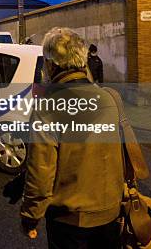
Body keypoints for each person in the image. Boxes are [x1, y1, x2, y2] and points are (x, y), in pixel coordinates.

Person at [20, 27, 123, 248]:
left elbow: (41, 171)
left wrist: (30, 216)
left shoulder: (48, 106)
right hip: (111, 213)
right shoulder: (109, 98)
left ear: (51, 64)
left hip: (70, 219)